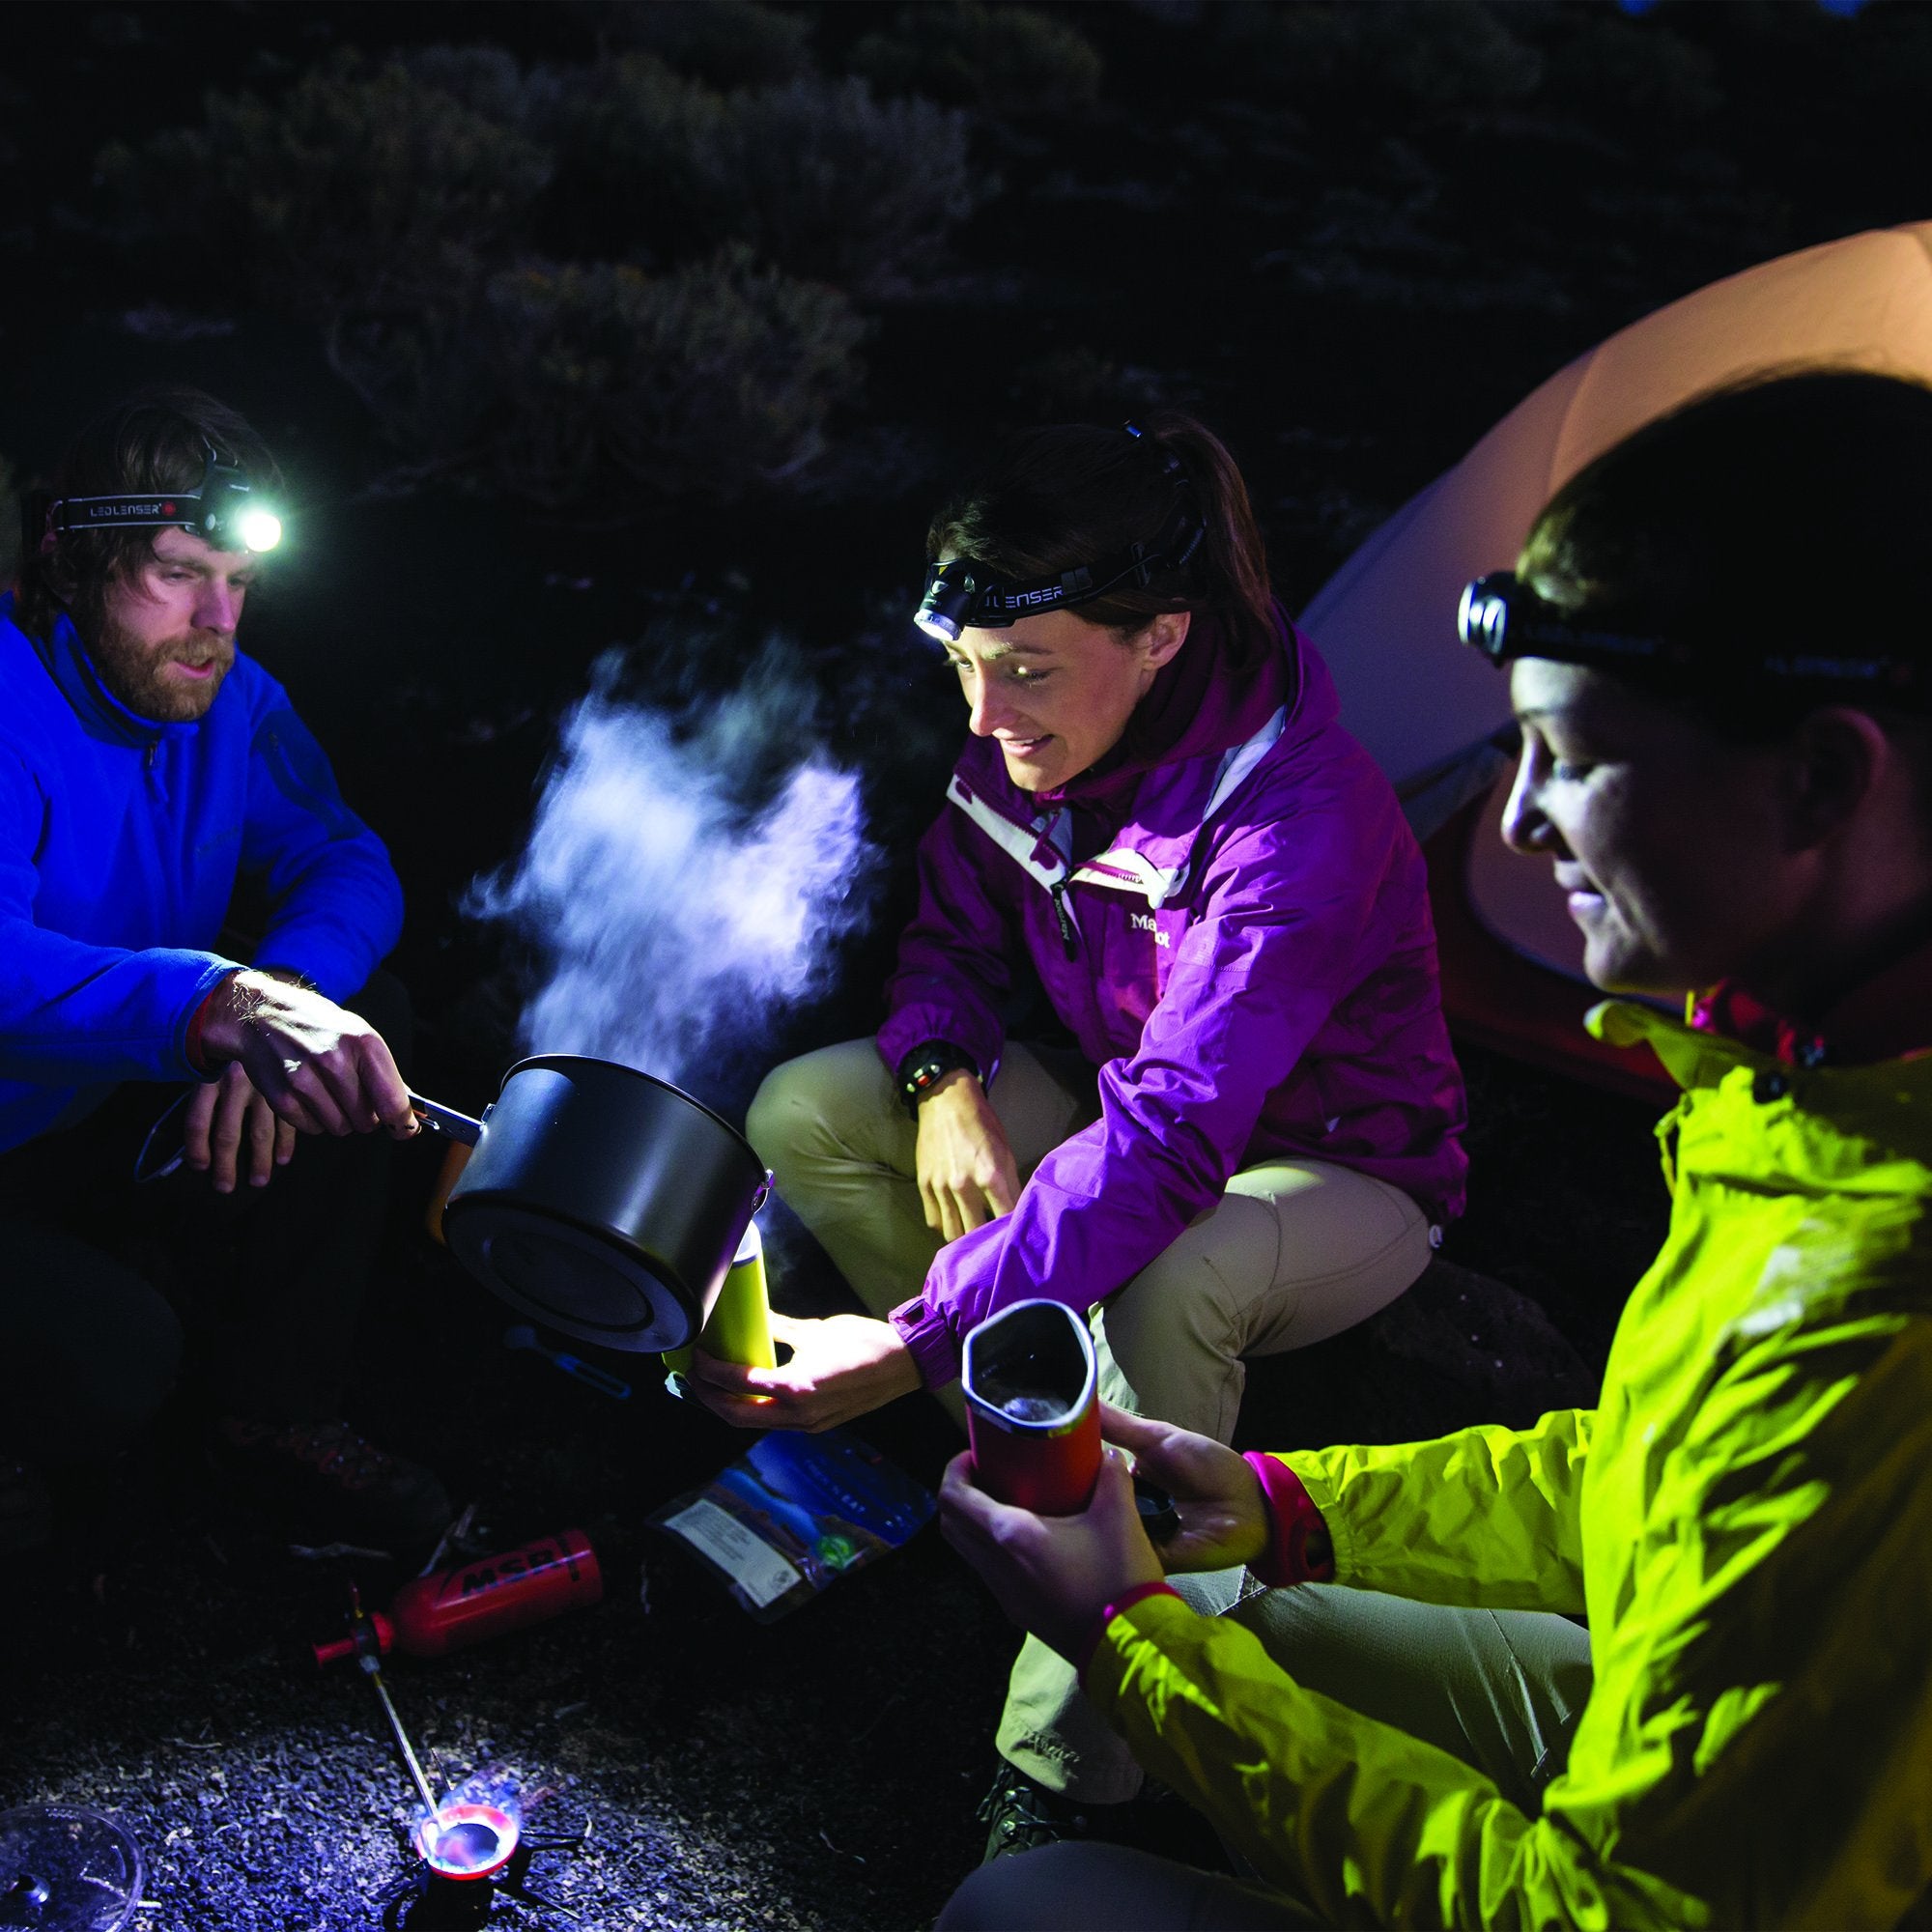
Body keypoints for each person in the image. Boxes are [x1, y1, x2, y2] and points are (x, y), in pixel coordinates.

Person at [933, 368, 1932, 1929]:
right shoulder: (1809, 1094)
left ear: (1821, 776)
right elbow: (1661, 1474)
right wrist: (1288, 1501)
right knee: (1279, 1616)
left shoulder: (1885, 1302)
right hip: (1688, 1722)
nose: (1518, 825)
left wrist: (1131, 1636)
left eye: (1573, 757)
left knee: (1028, 1913)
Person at [691, 412, 1468, 1847]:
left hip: (1335, 1164)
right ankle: (1031, 1466)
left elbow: (1174, 1137)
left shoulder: (1298, 822)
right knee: (810, 1109)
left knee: (1181, 1269)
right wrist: (940, 1078)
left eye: (1027, 670)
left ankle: (1075, 1765)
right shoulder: (1024, 740)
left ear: (1165, 633)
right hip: (1127, 1100)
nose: (985, 717)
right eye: (963, 670)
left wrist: (917, 1333)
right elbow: (950, 942)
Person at [0, 386, 447, 1556]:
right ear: (73, 556)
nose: (216, 618)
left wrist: (285, 996)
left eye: (238, 579)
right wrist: (218, 1005)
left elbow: (346, 857)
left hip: (85, 1110)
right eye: (175, 572)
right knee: (110, 1363)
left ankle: (272, 1417)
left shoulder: (229, 706)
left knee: (361, 1022)